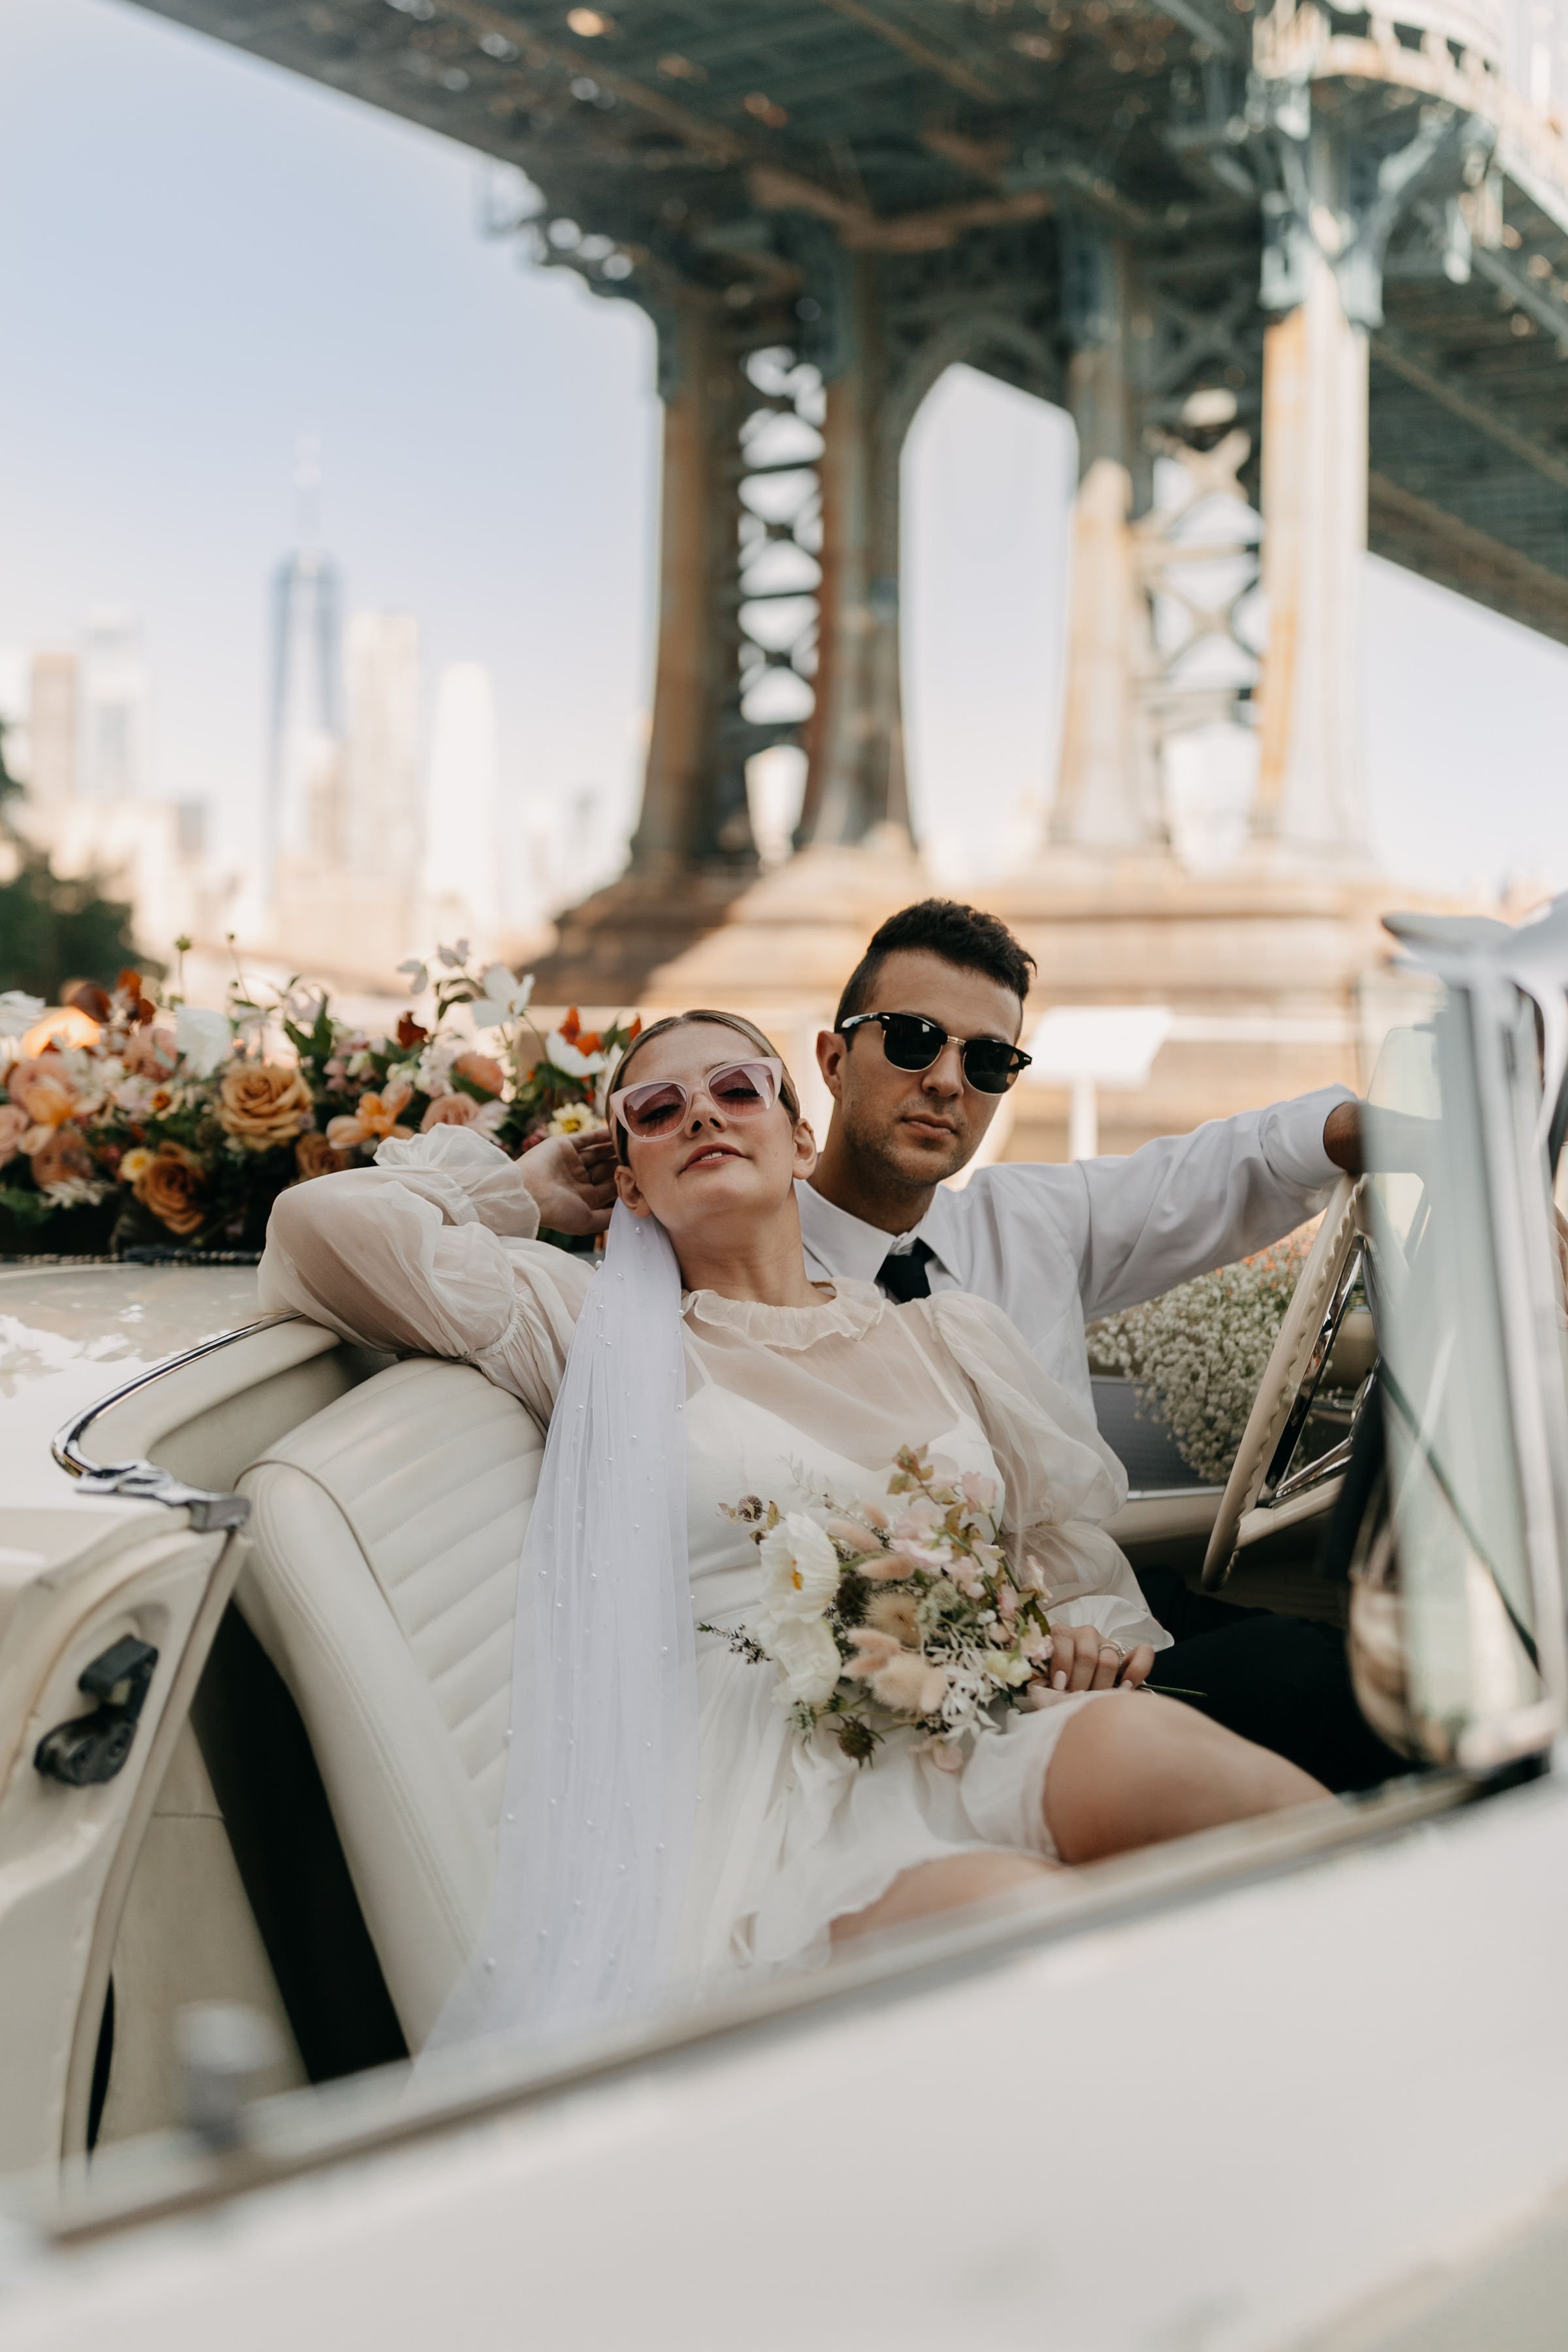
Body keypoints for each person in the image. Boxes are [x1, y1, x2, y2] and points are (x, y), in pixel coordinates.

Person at [260, 1011, 1325, 2036]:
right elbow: (321, 1230)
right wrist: (529, 1187)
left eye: (737, 1090)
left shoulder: (949, 1337)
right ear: (628, 1179)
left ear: (797, 1130)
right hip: (777, 1789)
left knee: (1230, 1788)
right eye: (659, 1111)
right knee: (1030, 1928)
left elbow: (1056, 1561)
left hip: (980, 1722)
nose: (705, 1118)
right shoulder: (589, 1329)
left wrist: (1085, 1646)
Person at [792, 898, 1401, 1793]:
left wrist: (1427, 1145)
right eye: (914, 1039)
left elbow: (1231, 1168)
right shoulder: (742, 1273)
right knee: (1324, 1695)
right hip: (955, 1698)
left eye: (990, 1060)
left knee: (1370, 1680)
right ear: (835, 1060)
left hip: (1117, 1626)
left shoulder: (1026, 1222)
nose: (948, 1081)